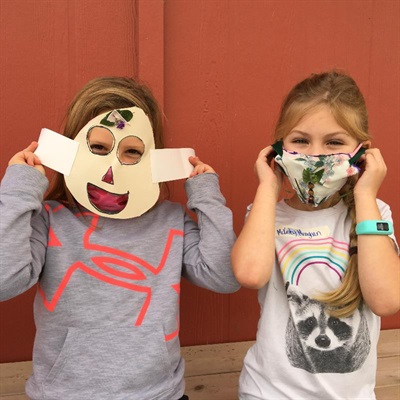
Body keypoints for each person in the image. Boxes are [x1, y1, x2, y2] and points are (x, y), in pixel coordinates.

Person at [0, 76, 240, 400]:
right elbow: (4, 280)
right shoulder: (50, 220)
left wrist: (206, 195)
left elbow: (223, 276)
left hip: (159, 394)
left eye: (132, 152)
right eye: (98, 147)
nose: (112, 169)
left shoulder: (171, 222)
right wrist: (20, 189)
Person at [231, 70, 399, 399]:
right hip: (268, 392)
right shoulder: (267, 214)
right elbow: (250, 273)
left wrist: (365, 196)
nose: (315, 156)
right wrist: (268, 186)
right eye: (300, 140)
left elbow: (386, 300)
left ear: (361, 152)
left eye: (334, 142)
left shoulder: (373, 214)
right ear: (278, 147)